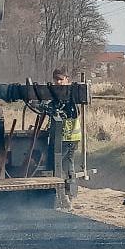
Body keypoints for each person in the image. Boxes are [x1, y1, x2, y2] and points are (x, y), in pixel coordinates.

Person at [51, 69, 82, 199]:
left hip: (70, 137)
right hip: (60, 137)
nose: (58, 82)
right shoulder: (55, 95)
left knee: (65, 163)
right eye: (56, 79)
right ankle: (67, 192)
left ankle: (69, 192)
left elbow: (75, 113)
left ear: (66, 79)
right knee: (63, 163)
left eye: (61, 79)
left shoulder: (71, 95)